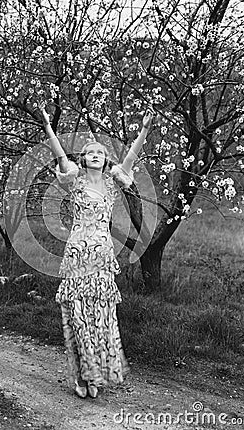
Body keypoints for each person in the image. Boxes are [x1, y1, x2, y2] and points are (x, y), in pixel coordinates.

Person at [40, 105, 154, 399]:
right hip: (78, 254)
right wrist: (48, 126)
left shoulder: (111, 185)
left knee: (101, 316)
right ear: (83, 158)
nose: (94, 154)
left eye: (100, 153)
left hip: (102, 256)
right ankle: (81, 374)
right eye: (90, 151)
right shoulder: (75, 180)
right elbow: (60, 155)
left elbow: (129, 160)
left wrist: (143, 130)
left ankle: (96, 375)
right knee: (79, 316)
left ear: (105, 161)